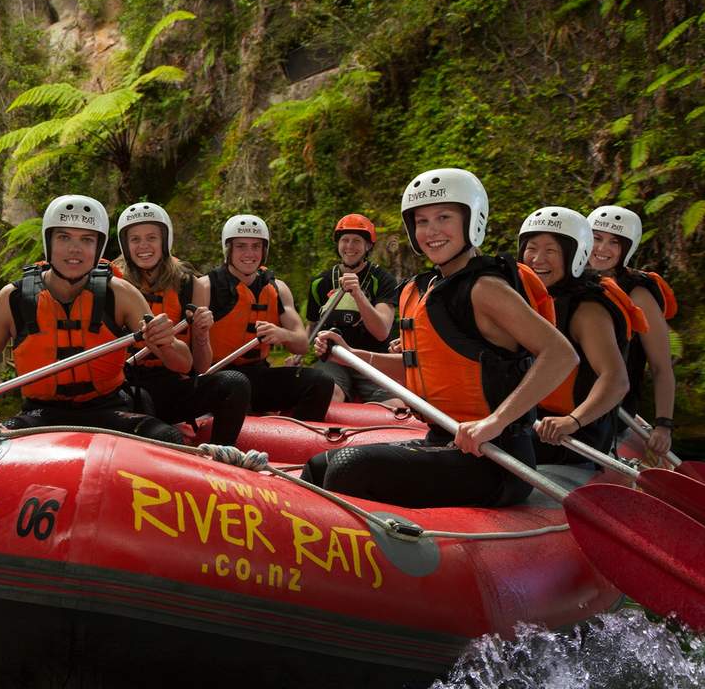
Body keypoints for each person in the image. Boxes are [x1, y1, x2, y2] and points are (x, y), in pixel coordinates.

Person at [304, 168, 577, 508]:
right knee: (318, 466)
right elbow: (419, 368)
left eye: (443, 217)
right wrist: (350, 353)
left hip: (494, 458)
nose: (431, 231)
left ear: (472, 221)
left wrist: (495, 422)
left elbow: (561, 354)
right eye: (422, 221)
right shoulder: (430, 287)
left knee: (349, 467)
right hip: (443, 439)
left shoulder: (485, 287)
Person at [0, 195, 190, 443]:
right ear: (49, 242)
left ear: (98, 247)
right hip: (40, 414)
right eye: (64, 237)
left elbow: (183, 363)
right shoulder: (13, 298)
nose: (75, 249)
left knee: (169, 438)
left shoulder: (120, 293)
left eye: (87, 240)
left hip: (108, 409)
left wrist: (166, 343)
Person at [113, 202, 251, 445]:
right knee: (141, 402)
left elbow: (199, 366)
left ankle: (219, 454)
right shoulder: (114, 284)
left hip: (171, 384)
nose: (143, 246)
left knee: (234, 383)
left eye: (152, 238)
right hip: (127, 388)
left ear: (165, 241)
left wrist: (201, 333)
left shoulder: (189, 284)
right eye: (135, 239)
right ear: (125, 245)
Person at [518, 207, 642, 464]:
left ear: (575, 255)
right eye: (531, 248)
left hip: (571, 434)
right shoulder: (527, 298)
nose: (537, 259)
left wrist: (572, 420)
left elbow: (616, 379)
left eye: (551, 251)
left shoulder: (587, 311)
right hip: (531, 419)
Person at [193, 214, 335, 421]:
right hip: (217, 377)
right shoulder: (205, 287)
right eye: (241, 246)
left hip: (257, 375)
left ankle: (296, 435)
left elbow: (302, 345)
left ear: (264, 251)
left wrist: (282, 334)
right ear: (228, 249)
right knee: (236, 385)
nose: (249, 253)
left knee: (321, 381)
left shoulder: (278, 289)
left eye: (256, 246)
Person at [587, 205, 679, 457]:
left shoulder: (638, 293)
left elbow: (661, 366)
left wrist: (663, 426)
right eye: (596, 238)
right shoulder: (568, 279)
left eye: (614, 243)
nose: (601, 248)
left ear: (627, 249)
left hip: (612, 407)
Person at [303, 213, 399, 405]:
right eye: (345, 240)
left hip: (371, 360)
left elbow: (382, 332)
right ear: (338, 244)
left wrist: (358, 295)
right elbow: (312, 326)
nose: (349, 246)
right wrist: (299, 354)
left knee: (396, 405)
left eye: (357, 241)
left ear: (368, 246)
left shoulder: (383, 280)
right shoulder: (320, 282)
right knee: (329, 395)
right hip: (333, 359)